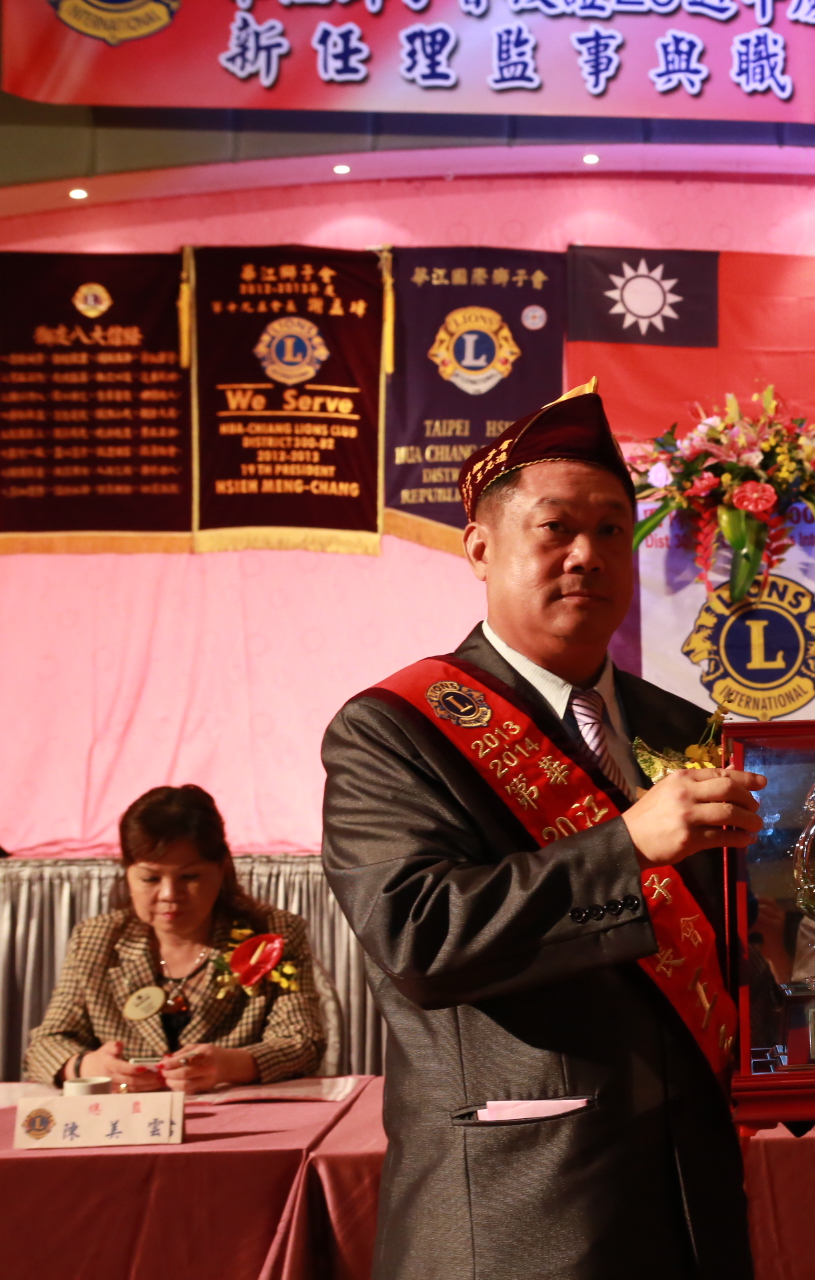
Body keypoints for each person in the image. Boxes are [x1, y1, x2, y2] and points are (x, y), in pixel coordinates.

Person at [321, 381, 764, 1280]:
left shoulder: (686, 728)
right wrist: (624, 847)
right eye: (555, 528)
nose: (587, 555)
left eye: (611, 531)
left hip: (692, 1207)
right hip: (518, 1214)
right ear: (481, 548)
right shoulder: (394, 729)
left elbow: (735, 944)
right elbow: (419, 937)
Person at [23, 784, 323, 1092]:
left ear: (222, 869)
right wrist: (86, 1067)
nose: (169, 894)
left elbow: (303, 1043)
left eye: (189, 877)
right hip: (130, 1114)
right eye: (151, 878)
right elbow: (46, 1045)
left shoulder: (271, 934)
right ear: (128, 874)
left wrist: (229, 1065)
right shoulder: (97, 939)